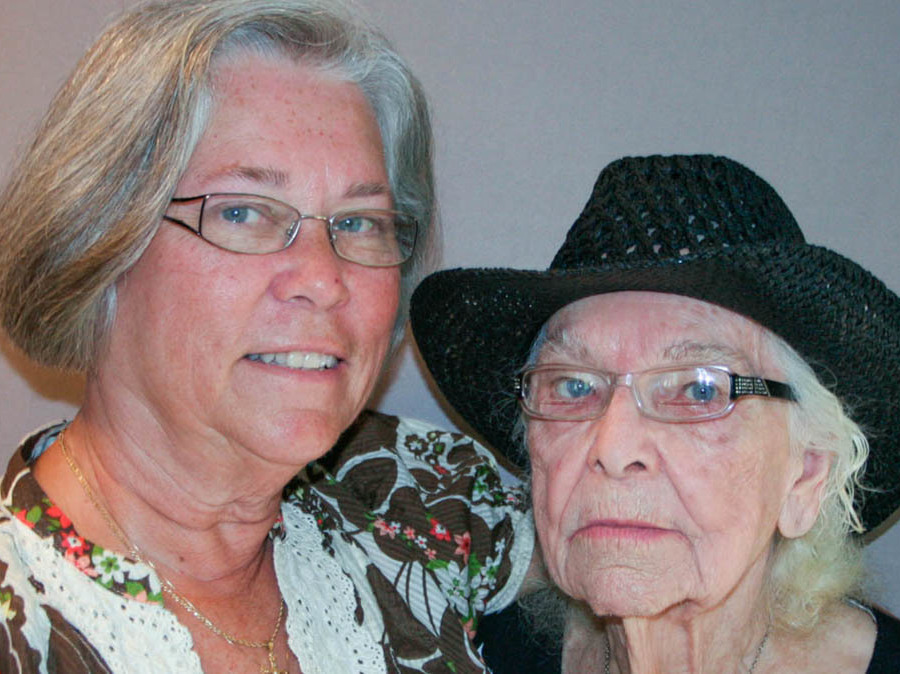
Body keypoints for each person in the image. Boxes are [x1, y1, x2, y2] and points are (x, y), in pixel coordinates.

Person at [0, 2, 534, 672]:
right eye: (244, 212)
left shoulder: (414, 494)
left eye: (361, 221)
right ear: (101, 245)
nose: (323, 276)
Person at [411, 154, 900, 672]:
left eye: (698, 390)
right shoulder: (472, 654)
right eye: (573, 385)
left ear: (804, 476)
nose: (613, 448)